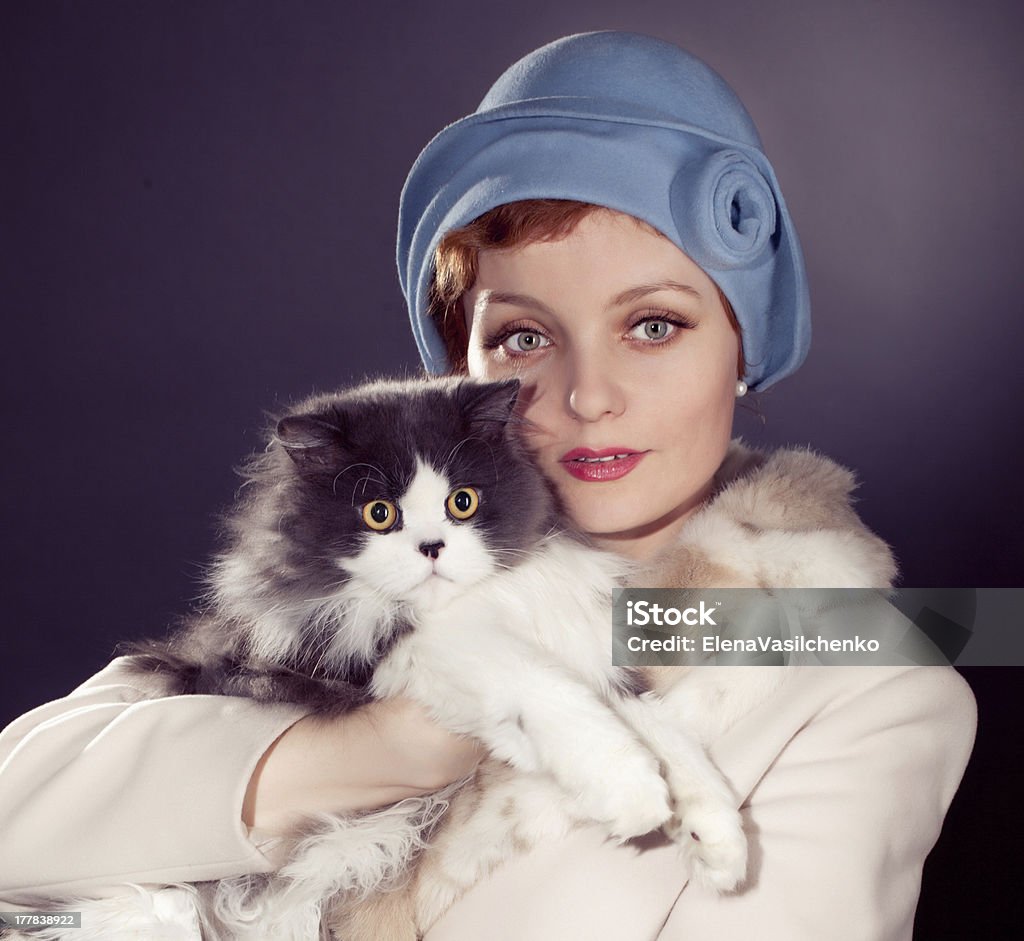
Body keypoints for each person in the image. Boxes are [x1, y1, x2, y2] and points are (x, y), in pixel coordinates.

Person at [0, 31, 975, 940]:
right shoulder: (367, 576)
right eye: (522, 337)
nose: (589, 396)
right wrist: (376, 746)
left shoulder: (861, 663)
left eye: (654, 325)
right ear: (458, 379)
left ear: (741, 349)